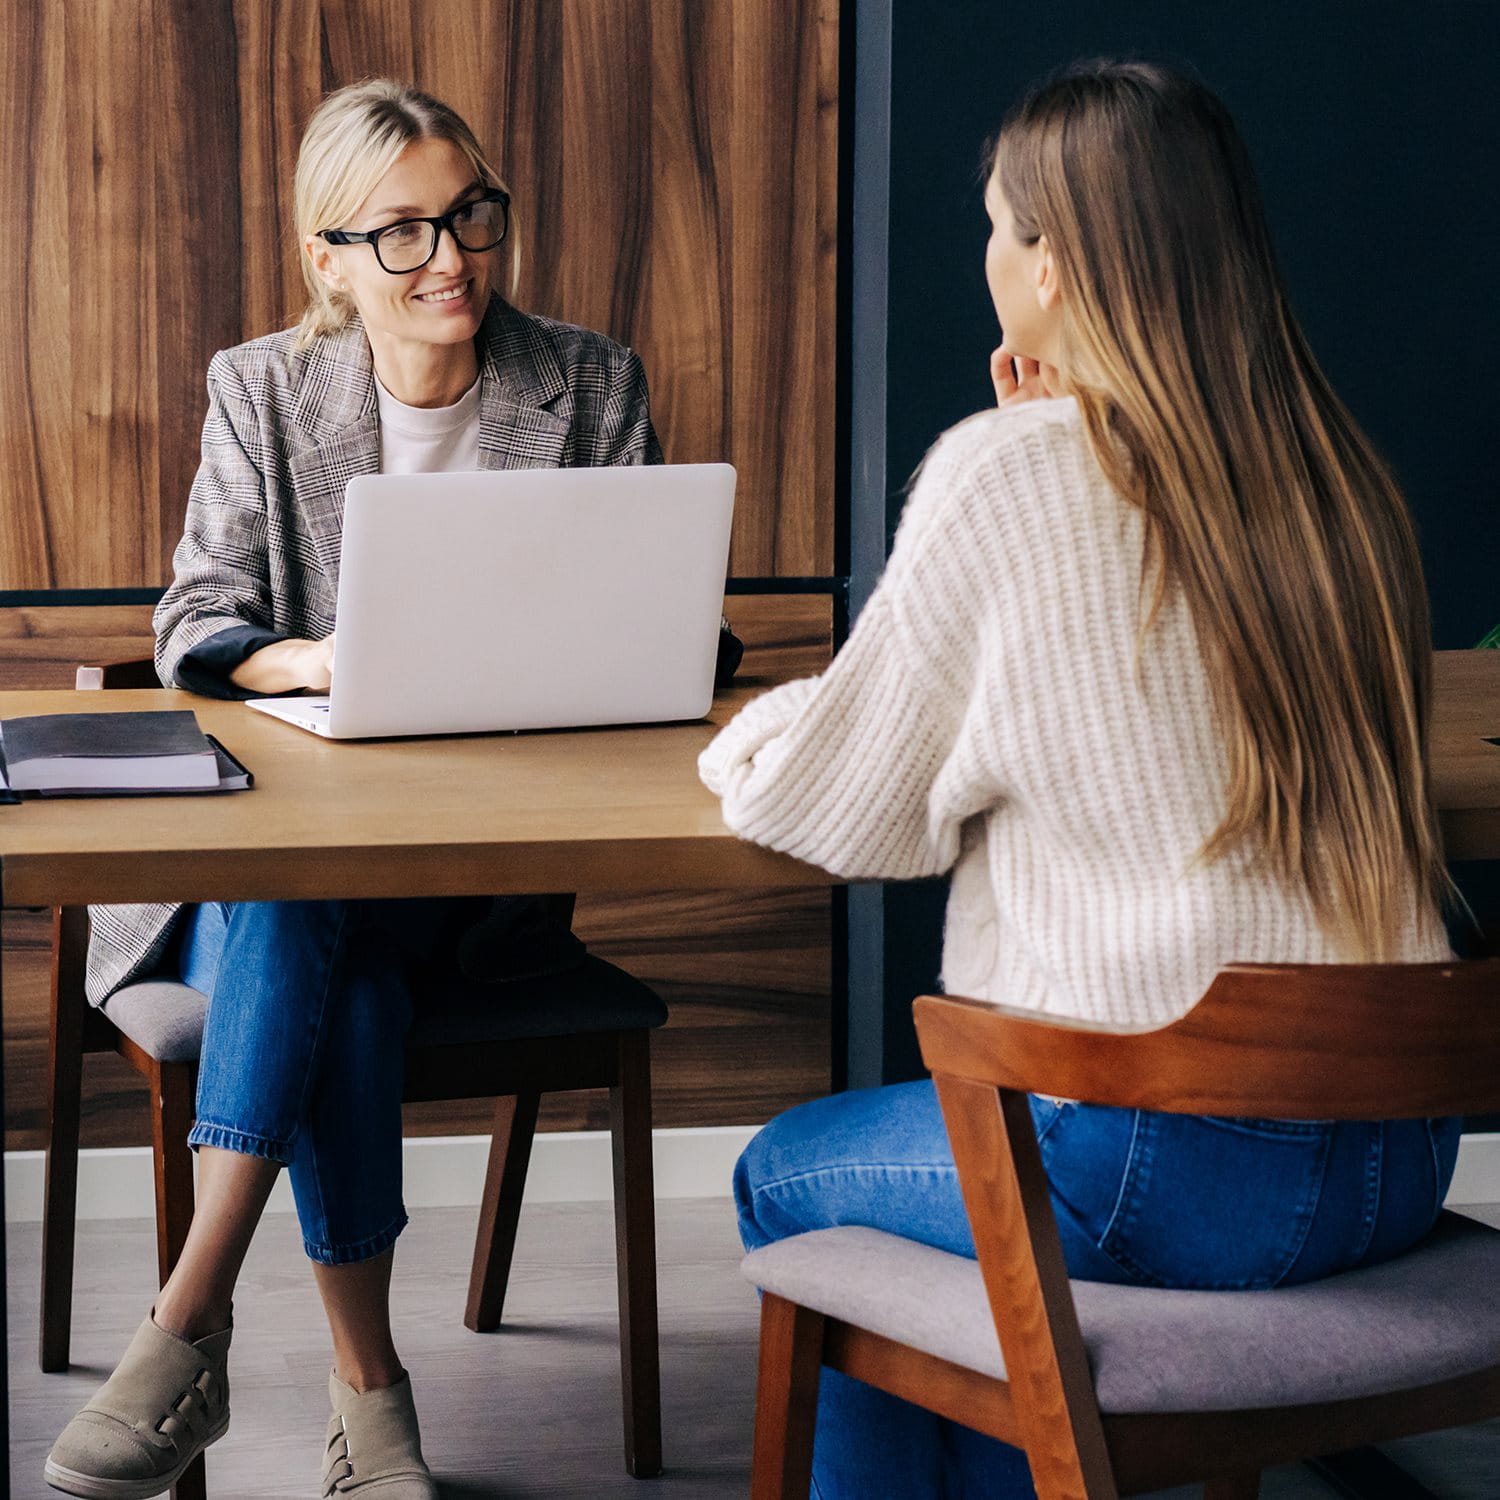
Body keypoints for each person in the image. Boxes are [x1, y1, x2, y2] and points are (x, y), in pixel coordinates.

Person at [701, 60, 1459, 1498]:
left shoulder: (1012, 477)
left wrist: (751, 728)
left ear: (1052, 262)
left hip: (1169, 1175)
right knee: (997, 1250)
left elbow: (835, 809)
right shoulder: (1341, 484)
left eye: (997, 226)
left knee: (788, 1187)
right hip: (1400, 1154)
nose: (985, 255)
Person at [46, 80, 737, 1500]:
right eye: (407, 230)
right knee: (322, 939)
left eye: (473, 214)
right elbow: (197, 618)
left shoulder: (587, 381)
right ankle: (368, 1397)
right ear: (328, 260)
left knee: (330, 932)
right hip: (269, 888)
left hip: (475, 886)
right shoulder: (265, 387)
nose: (453, 260)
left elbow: (663, 622)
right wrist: (316, 662)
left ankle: (188, 1326)